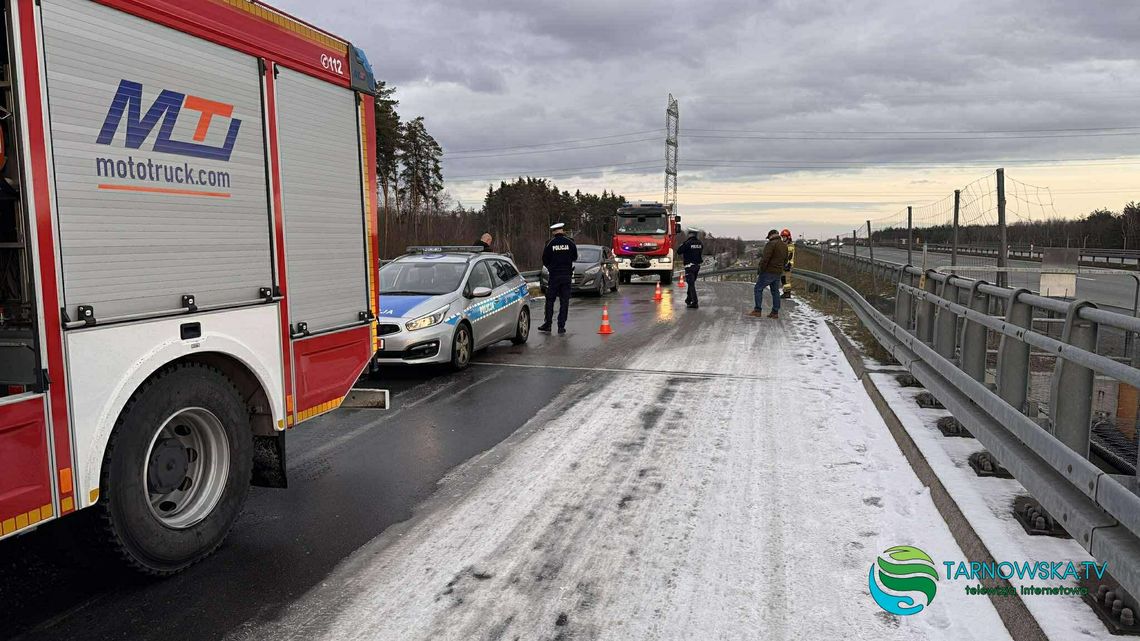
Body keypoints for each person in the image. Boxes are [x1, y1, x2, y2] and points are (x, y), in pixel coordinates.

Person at [538, 223, 577, 334]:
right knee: (564, 301)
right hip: (567, 276)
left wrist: (551, 267)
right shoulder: (570, 242)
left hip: (554, 276)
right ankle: (561, 326)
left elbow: (544, 259)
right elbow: (575, 257)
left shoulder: (550, 243)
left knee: (550, 300)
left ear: (554, 232)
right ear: (562, 230)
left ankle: (548, 324)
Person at [750, 229, 788, 319]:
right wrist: (781, 268)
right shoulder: (784, 245)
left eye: (769, 237)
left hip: (768, 271)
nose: (768, 239)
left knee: (758, 289)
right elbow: (786, 260)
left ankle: (757, 310)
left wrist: (761, 270)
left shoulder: (771, 244)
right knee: (775, 292)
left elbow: (765, 259)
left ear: (771, 236)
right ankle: (775, 312)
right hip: (778, 272)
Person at [678, 227, 703, 308]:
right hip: (697, 266)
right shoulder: (700, 243)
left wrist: (682, 244)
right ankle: (688, 300)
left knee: (691, 284)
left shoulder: (687, 243)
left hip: (689, 266)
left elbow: (679, 251)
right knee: (691, 283)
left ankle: (695, 302)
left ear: (690, 234)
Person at [779, 228, 794, 299]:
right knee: (783, 278)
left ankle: (787, 293)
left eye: (784, 237)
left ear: (788, 237)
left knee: (786, 279)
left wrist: (788, 264)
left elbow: (790, 256)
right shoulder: (784, 244)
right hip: (784, 265)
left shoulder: (790, 245)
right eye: (782, 237)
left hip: (788, 265)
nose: (783, 238)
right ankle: (785, 292)